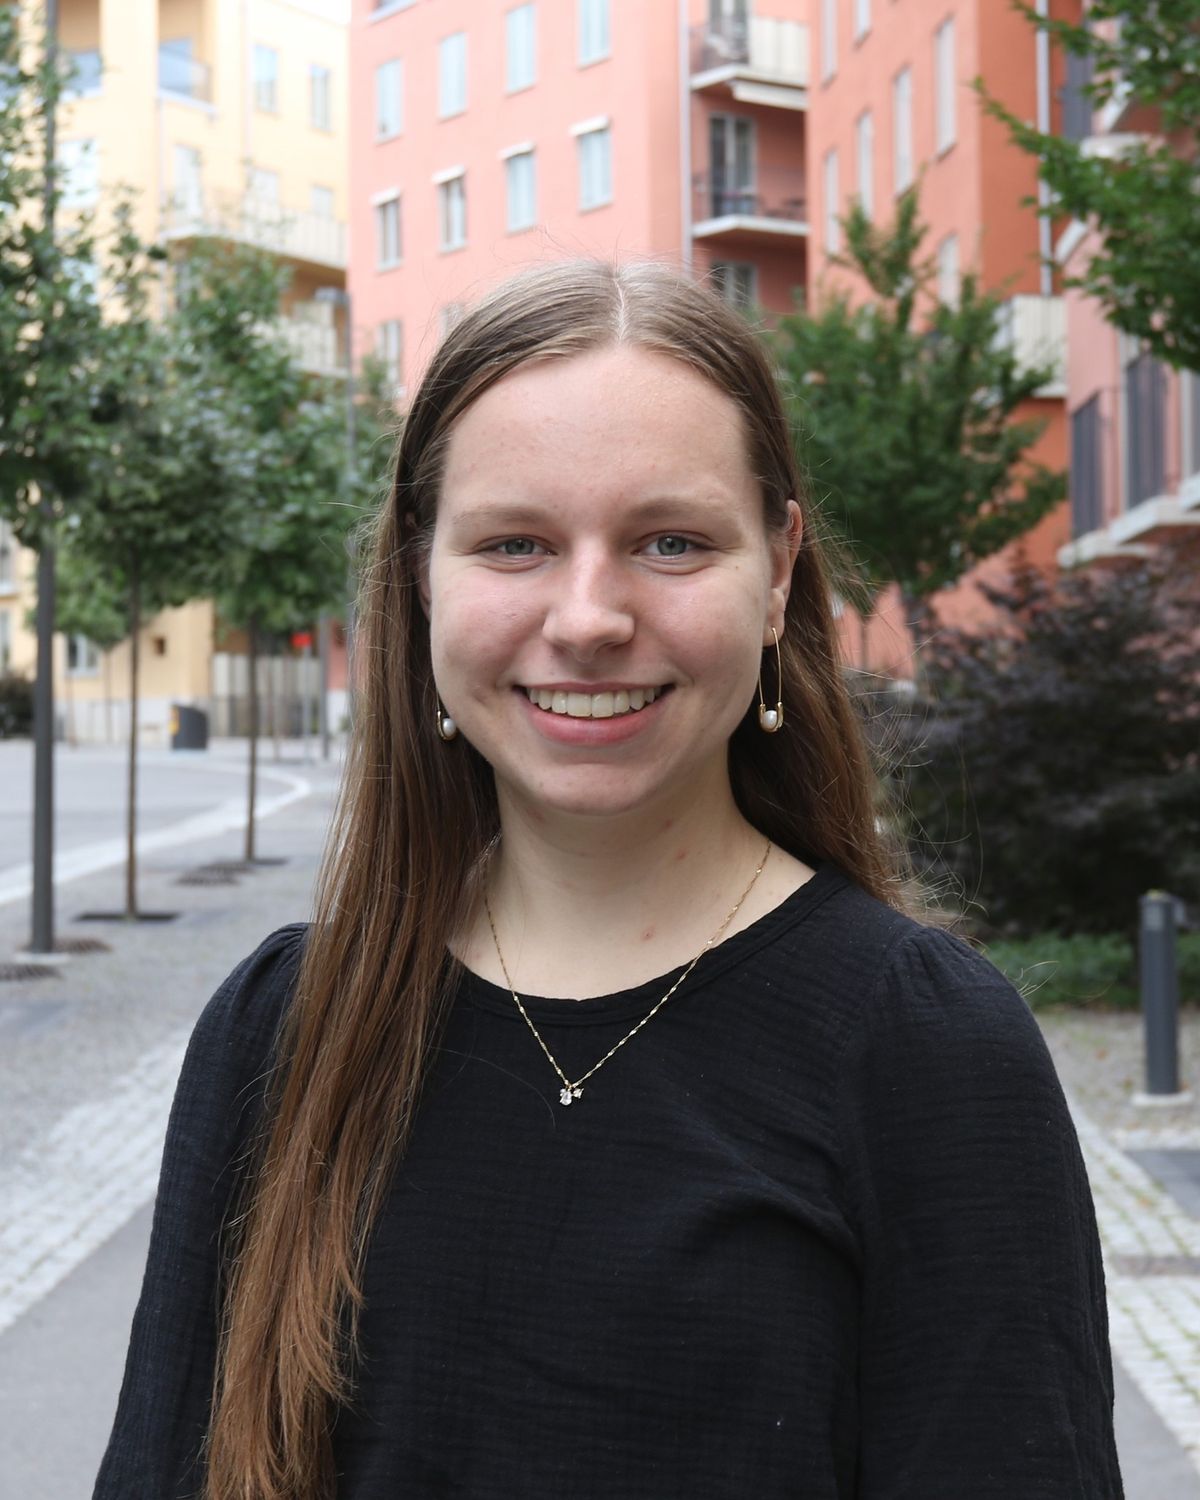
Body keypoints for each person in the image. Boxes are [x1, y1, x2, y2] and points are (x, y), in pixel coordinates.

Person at [94, 259, 1123, 1500]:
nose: (587, 617)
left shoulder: (924, 1055)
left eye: (671, 541)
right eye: (515, 542)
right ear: (423, 576)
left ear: (780, 569)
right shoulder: (285, 1029)